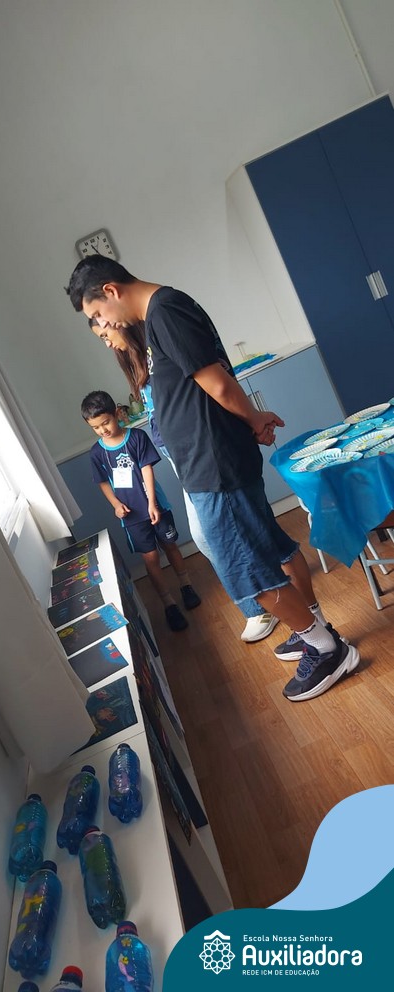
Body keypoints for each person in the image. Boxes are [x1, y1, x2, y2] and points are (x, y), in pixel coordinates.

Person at [67, 256, 360, 702]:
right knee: (262, 553)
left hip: (215, 466)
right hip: (211, 463)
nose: (104, 326)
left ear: (110, 291)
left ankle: (326, 650)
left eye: (97, 316)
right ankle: (316, 634)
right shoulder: (158, 317)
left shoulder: (165, 311)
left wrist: (254, 418)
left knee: (247, 571)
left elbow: (217, 384)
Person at [88, 317, 279, 643]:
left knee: (213, 534)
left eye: (106, 332)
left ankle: (262, 602)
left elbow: (213, 387)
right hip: (180, 454)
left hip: (200, 451)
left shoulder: (162, 338)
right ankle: (271, 592)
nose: (106, 342)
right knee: (228, 529)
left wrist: (251, 419)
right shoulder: (141, 363)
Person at [81, 389, 201, 632]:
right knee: (151, 558)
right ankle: (168, 603)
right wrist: (116, 505)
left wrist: (152, 503)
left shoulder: (137, 437)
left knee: (170, 546)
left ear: (117, 414)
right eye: (96, 427)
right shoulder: (97, 453)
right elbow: (103, 482)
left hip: (156, 506)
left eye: (106, 422)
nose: (103, 430)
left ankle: (186, 585)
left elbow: (147, 469)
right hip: (132, 517)